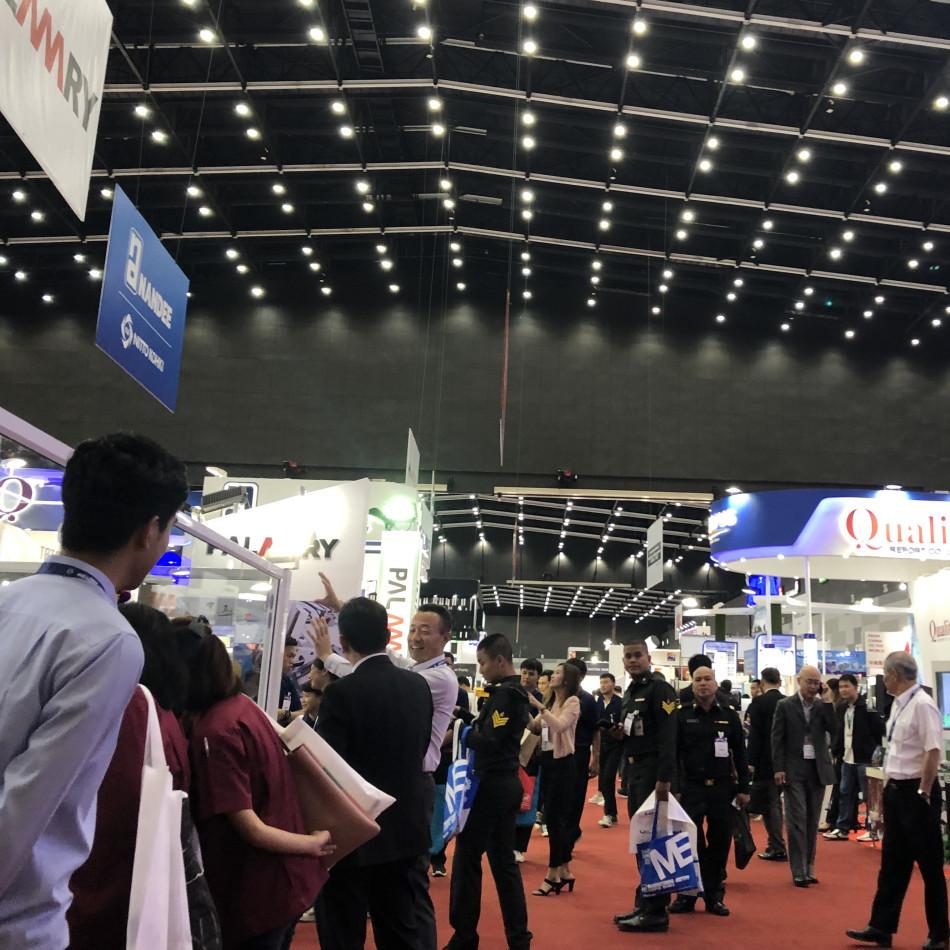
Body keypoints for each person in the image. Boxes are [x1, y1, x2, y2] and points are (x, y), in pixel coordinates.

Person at [0, 432, 187, 948]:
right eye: (169, 528)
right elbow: (27, 804)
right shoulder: (109, 639)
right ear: (150, 530)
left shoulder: (10, 600)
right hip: (19, 925)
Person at [68, 602, 218, 950]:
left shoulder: (133, 708)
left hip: (111, 886)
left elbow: (111, 810)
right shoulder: (165, 715)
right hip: (143, 884)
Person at [186, 628, 332, 950]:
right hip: (284, 882)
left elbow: (250, 826)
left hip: (260, 887)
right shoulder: (242, 707)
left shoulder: (216, 730)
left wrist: (312, 844)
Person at [313, 598, 433, 950]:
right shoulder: (417, 687)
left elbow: (327, 768)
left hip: (353, 832)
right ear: (387, 635)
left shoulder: (341, 693)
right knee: (399, 930)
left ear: (344, 641)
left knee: (343, 933)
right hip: (405, 828)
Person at [847, 652, 949, 950]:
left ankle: (940, 934)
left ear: (895, 675)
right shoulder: (898, 704)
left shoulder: (923, 705)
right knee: (892, 864)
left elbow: (933, 751)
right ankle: (881, 927)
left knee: (930, 867)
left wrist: (923, 792)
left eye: (886, 674)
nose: (884, 680)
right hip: (896, 791)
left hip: (917, 792)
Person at [445, 633, 532, 950]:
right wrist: (465, 717)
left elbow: (489, 741)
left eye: (482, 663)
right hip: (504, 784)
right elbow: (493, 731)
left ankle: (464, 937)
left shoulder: (506, 695)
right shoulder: (510, 693)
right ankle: (518, 939)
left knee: (467, 861)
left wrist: (460, 731)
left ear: (499, 660)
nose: (480, 669)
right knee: (503, 864)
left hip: (490, 786)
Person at [404, 604, 463, 950]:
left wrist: (333, 658)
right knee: (397, 883)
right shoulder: (416, 669)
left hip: (415, 784)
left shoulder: (439, 678)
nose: (415, 637)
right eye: (413, 629)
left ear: (445, 638)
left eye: (425, 631)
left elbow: (389, 678)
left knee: (412, 881)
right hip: (403, 782)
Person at [670, 666, 749, 917]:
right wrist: (675, 788)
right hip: (691, 789)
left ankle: (714, 896)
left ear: (715, 684)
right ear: (692, 685)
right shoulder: (681, 715)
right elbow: (673, 755)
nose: (703, 683)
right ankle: (687, 895)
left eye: (708, 679)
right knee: (688, 843)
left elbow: (740, 753)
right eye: (698, 680)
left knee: (720, 843)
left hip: (722, 789)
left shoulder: (729, 716)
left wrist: (744, 788)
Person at [612, 639, 678, 934]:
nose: (633, 660)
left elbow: (668, 736)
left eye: (637, 655)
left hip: (653, 773)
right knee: (642, 839)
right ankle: (645, 901)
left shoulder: (659, 689)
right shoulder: (631, 691)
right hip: (635, 770)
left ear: (649, 658)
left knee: (653, 840)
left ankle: (656, 910)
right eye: (628, 656)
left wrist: (664, 778)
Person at [770, 664, 836, 887]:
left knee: (812, 820)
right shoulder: (784, 705)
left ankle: (809, 866)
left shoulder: (822, 706)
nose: (813, 686)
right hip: (793, 769)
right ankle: (798, 870)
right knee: (797, 819)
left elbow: (834, 729)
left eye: (817, 682)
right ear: (799, 681)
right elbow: (777, 739)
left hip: (817, 769)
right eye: (809, 682)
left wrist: (828, 702)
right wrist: (778, 768)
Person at [526, 663, 581, 896]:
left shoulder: (572, 702)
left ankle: (552, 874)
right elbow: (535, 727)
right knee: (553, 819)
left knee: (556, 820)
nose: (552, 676)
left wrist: (538, 706)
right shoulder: (551, 703)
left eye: (558, 673)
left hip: (563, 764)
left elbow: (559, 726)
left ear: (567, 680)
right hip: (547, 762)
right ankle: (565, 870)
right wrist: (523, 707)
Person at [823, 673, 884, 842]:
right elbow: (838, 730)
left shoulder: (867, 707)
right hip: (847, 757)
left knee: (870, 797)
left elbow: (879, 731)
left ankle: (873, 830)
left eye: (846, 686)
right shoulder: (842, 707)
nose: (843, 690)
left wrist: (874, 753)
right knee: (844, 793)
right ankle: (842, 828)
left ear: (855, 687)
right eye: (841, 687)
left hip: (865, 758)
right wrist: (837, 751)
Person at [747, 666, 787, 861]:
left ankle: (777, 846)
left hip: (765, 761)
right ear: (779, 681)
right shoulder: (787, 702)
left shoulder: (758, 703)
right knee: (774, 803)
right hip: (785, 760)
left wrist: (750, 761)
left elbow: (755, 735)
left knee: (771, 805)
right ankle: (776, 845)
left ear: (762, 682)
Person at [564, 657, 598, 858]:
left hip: (579, 754)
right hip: (557, 754)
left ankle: (567, 841)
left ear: (581, 677)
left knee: (575, 799)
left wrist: (596, 758)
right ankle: (569, 834)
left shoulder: (588, 700)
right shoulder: (557, 696)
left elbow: (595, 731)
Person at [594, 672, 624, 828]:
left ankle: (610, 814)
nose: (603, 685)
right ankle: (611, 813)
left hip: (616, 744)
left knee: (608, 778)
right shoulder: (598, 701)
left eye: (606, 682)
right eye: (601, 682)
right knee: (603, 778)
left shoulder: (620, 703)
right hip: (601, 744)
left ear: (613, 684)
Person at [277, 636, 303, 725]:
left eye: (293, 657)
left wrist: (285, 714)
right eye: (289, 656)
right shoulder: (258, 679)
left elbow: (300, 712)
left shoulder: (286, 681)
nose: (293, 661)